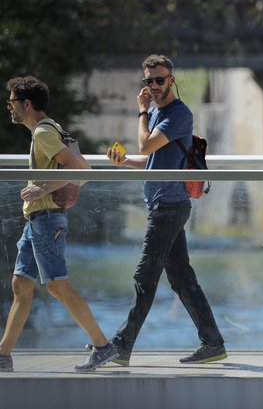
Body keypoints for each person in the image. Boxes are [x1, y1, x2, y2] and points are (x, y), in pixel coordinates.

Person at [106, 55, 227, 365]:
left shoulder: (178, 114)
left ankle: (121, 345)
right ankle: (213, 343)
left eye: (160, 80)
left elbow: (145, 146)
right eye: (149, 81)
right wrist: (124, 161)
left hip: (169, 207)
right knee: (182, 280)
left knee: (144, 277)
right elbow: (149, 160)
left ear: (172, 80)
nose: (154, 86)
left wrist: (141, 111)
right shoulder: (160, 114)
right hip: (164, 205)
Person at [0, 76, 118, 372]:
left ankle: (103, 347)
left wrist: (42, 189)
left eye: (11, 102)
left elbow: (79, 168)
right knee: (21, 284)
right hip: (36, 220)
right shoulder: (49, 129)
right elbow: (82, 169)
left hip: (46, 218)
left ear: (26, 104)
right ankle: (3, 355)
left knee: (57, 286)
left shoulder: (42, 133)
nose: (8, 107)